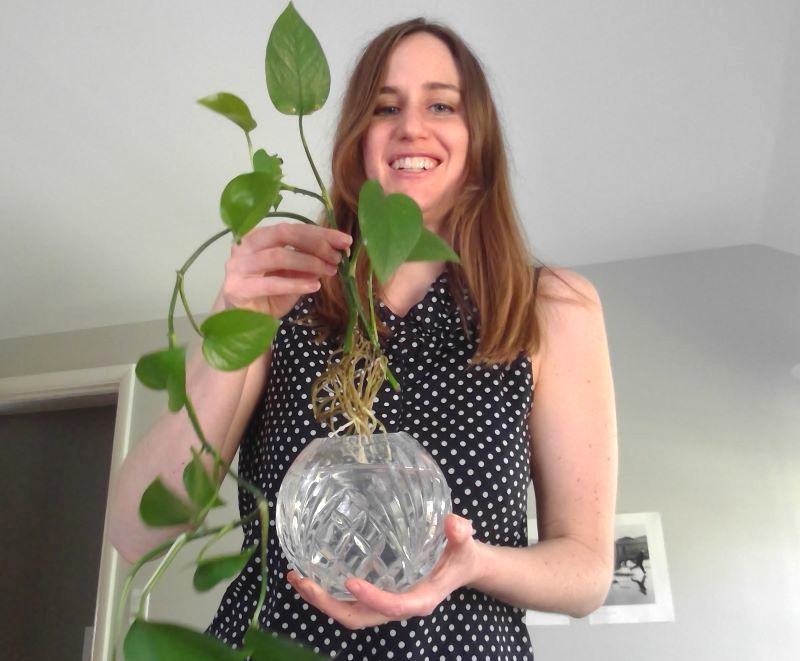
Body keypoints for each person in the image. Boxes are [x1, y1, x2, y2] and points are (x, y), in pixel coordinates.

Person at [110, 18, 618, 661]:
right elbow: (136, 530)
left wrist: (473, 564)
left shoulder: (549, 306)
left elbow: (586, 573)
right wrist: (233, 318)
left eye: (441, 104)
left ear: (478, 137)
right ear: (357, 137)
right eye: (386, 107)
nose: (412, 126)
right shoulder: (289, 296)